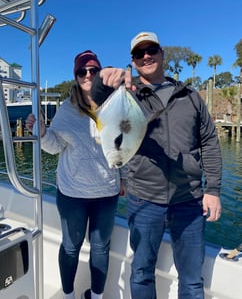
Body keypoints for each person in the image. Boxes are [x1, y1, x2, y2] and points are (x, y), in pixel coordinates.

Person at [91, 32, 222, 299]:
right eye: (139, 54)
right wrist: (103, 80)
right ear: (133, 61)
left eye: (151, 50)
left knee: (192, 281)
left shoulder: (190, 96)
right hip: (144, 199)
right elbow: (98, 98)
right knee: (141, 272)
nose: (146, 56)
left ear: (162, 53)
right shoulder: (129, 94)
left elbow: (209, 141)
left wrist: (214, 189)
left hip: (190, 199)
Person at [25, 50, 127, 299]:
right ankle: (68, 295)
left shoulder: (116, 104)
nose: (88, 74)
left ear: (101, 73)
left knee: (101, 248)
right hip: (72, 193)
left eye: (93, 70)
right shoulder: (66, 110)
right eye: (83, 71)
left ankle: (97, 296)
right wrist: (39, 133)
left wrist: (123, 177)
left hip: (107, 192)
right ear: (76, 76)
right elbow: (55, 146)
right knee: (71, 247)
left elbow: (122, 144)